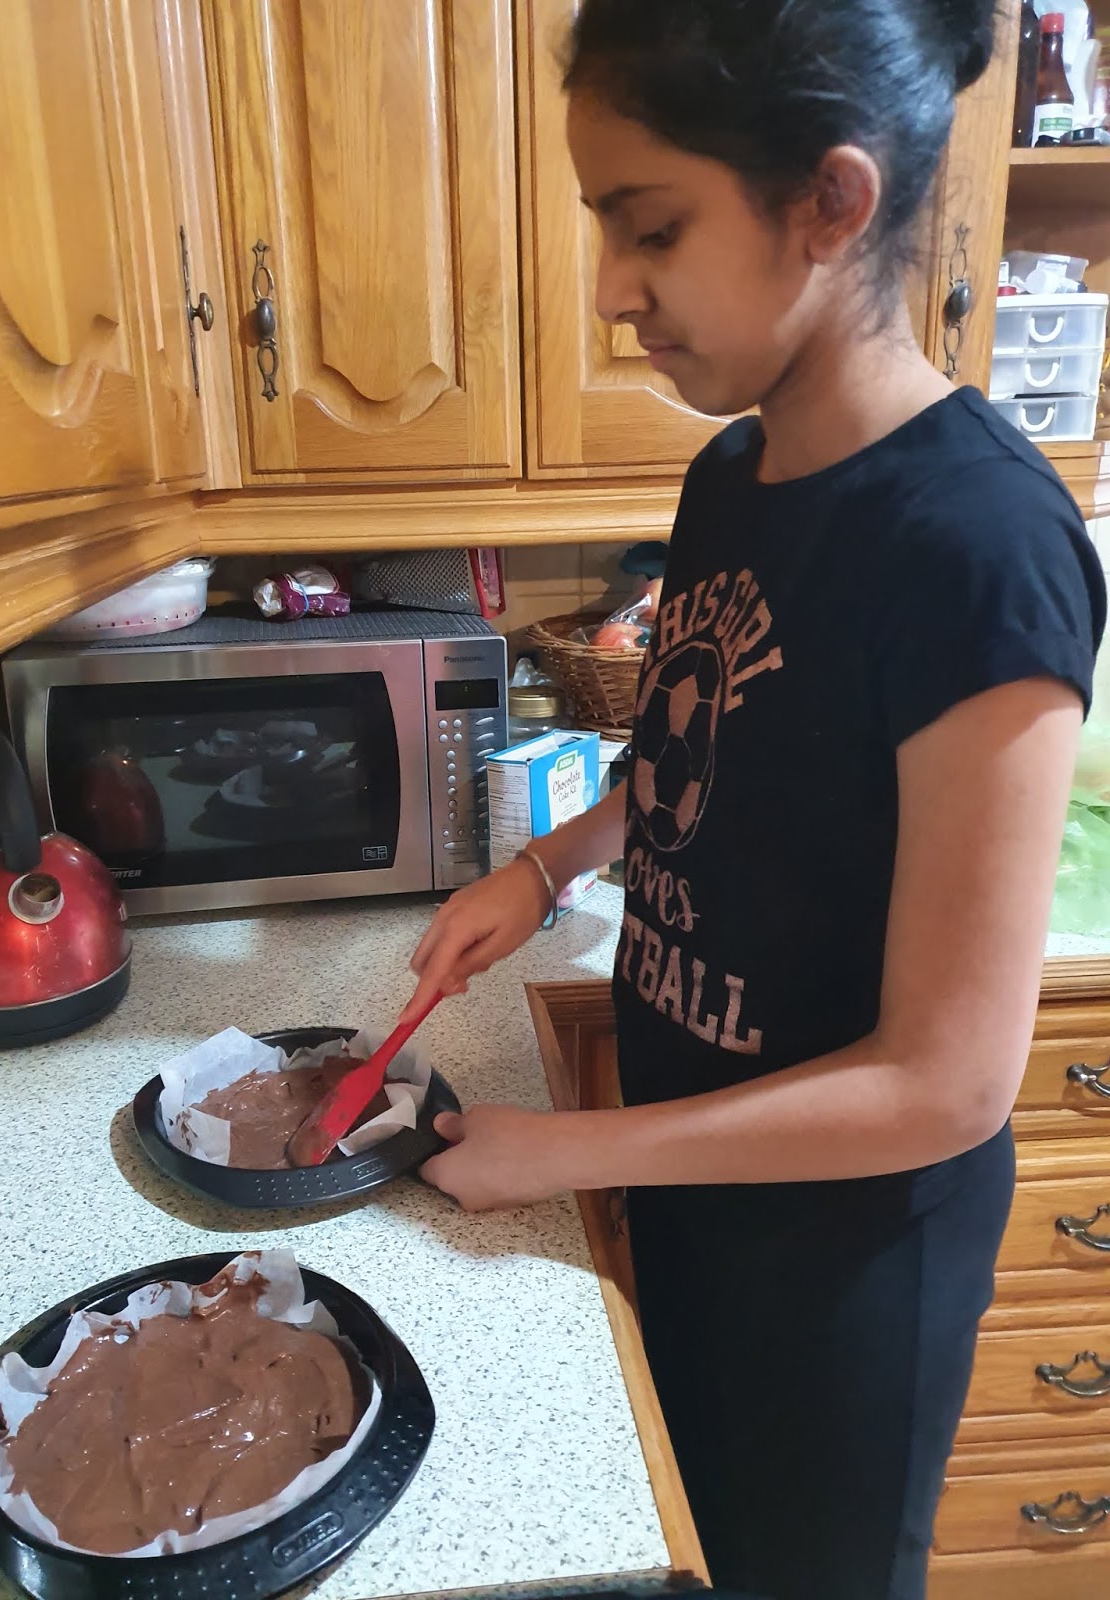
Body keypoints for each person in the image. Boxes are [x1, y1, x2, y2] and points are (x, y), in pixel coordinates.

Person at [405, 3, 1106, 1597]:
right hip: (697, 1187)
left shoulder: (978, 548)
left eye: (651, 228)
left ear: (830, 206)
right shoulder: (735, 473)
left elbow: (949, 1081)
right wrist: (547, 869)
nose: (611, 290)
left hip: (847, 1270)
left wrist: (570, 1152)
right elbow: (692, 758)